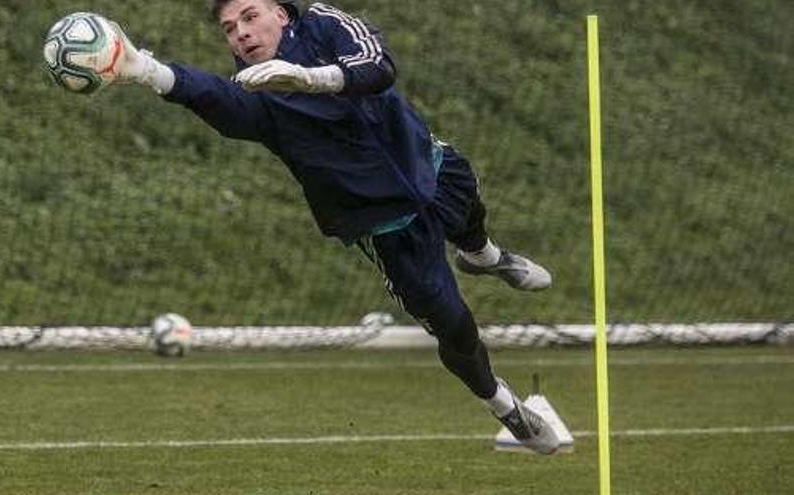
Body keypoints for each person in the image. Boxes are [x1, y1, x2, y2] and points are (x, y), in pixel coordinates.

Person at [106, 0, 560, 454]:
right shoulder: (256, 96)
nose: (240, 33)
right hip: (388, 228)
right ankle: (504, 406)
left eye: (249, 16)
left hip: (431, 167)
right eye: (229, 29)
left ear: (282, 14)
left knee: (468, 212)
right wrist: (145, 69)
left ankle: (485, 257)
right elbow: (206, 94)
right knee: (454, 328)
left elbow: (378, 66)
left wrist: (309, 79)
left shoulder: (324, 23)